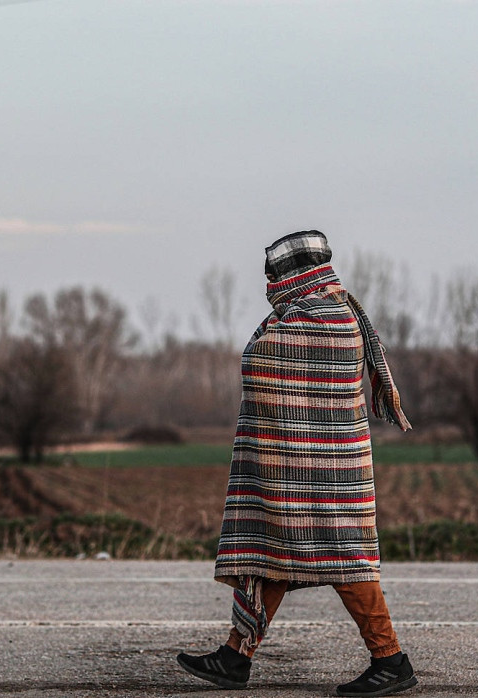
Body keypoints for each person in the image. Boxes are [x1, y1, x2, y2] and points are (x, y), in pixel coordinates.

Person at [177, 231, 417, 697]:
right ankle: (235, 655)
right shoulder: (329, 314)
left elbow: (259, 363)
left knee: (345, 558)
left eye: (273, 276)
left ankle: (390, 659)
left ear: (293, 274)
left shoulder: (318, 321)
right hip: (302, 466)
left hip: (328, 472)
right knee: (274, 548)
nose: (269, 286)